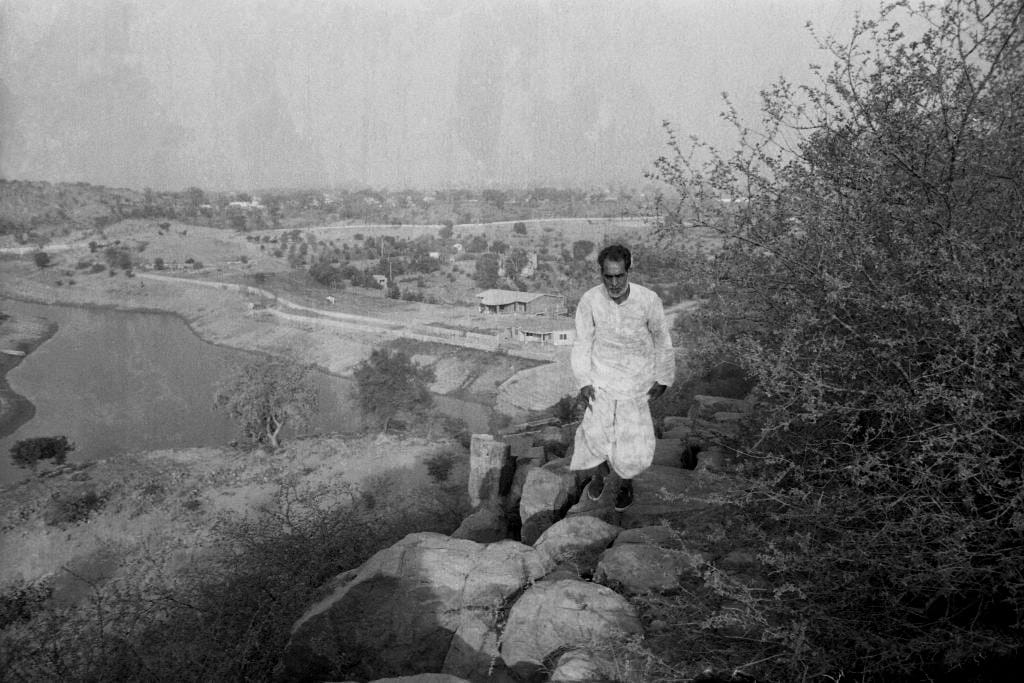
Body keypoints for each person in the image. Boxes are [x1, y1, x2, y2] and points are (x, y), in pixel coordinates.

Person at [569, 244, 675, 511]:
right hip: (601, 379)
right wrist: (584, 381)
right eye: (608, 276)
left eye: (619, 276)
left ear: (628, 271)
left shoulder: (648, 300)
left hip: (635, 381)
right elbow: (582, 342)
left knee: (631, 440)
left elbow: (662, 339)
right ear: (601, 274)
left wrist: (663, 377)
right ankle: (598, 476)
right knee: (594, 434)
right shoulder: (590, 300)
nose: (614, 283)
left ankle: (625, 486)